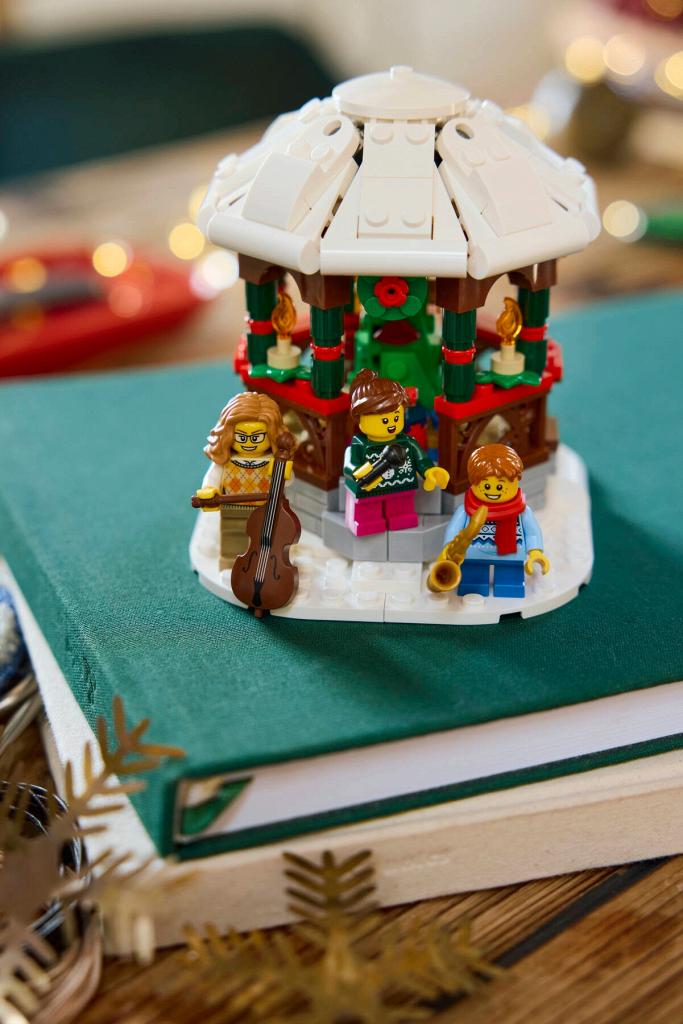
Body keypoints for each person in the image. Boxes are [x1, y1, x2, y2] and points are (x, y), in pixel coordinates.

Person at [343, 369, 449, 536]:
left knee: (401, 507)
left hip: (401, 486)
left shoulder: (407, 442)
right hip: (368, 489)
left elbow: (420, 459)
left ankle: (401, 518)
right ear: (360, 417)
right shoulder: (359, 444)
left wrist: (429, 471)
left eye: (396, 417)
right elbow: (349, 465)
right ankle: (367, 523)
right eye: (385, 420)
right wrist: (358, 471)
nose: (391, 424)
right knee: (368, 512)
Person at [195, 392, 292, 570]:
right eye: (242, 437)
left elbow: (289, 482)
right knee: (233, 537)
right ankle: (230, 564)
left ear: (271, 434)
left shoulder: (274, 461)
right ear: (228, 434)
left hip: (266, 511)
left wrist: (284, 472)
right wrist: (209, 489)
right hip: (233, 508)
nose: (248, 443)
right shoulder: (226, 461)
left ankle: (261, 566)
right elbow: (212, 477)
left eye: (256, 437)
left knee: (265, 541)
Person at [444, 443, 550, 598]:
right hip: (474, 554)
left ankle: (509, 586)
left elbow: (532, 532)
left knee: (510, 580)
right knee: (472, 580)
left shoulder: (521, 511)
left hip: (511, 555)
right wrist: (449, 547)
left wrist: (535, 552)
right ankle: (473, 586)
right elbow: (454, 529)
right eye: (486, 486)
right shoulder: (467, 509)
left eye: (500, 487)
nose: (493, 491)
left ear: (516, 480)